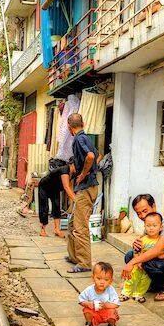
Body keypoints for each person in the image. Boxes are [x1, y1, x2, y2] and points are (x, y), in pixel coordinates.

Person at [121, 194, 164, 301]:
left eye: (145, 211)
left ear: (154, 207)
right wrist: (137, 246)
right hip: (159, 264)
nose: (142, 216)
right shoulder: (149, 224)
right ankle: (153, 284)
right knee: (130, 255)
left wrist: (132, 262)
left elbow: (157, 250)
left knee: (145, 261)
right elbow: (143, 246)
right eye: (138, 213)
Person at [65, 113, 99, 273]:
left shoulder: (79, 139)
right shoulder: (86, 138)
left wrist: (83, 174)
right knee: (73, 224)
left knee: (80, 227)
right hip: (88, 186)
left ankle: (84, 263)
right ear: (83, 123)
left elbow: (91, 157)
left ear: (68, 126)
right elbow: (97, 156)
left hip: (86, 187)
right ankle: (74, 257)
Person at [120, 212, 164, 303]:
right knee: (131, 278)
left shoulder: (161, 241)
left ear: (161, 227)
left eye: (154, 225)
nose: (151, 228)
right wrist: (138, 261)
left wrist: (159, 255)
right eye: (148, 225)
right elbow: (136, 251)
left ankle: (138, 294)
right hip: (138, 266)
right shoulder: (142, 239)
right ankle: (125, 293)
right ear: (145, 226)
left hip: (149, 266)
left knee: (145, 281)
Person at [77, 262, 121, 326]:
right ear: (93, 278)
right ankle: (89, 323)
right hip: (94, 311)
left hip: (106, 312)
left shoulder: (111, 290)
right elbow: (81, 300)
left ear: (110, 281)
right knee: (86, 310)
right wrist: (88, 304)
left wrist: (106, 305)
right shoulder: (89, 290)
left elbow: (116, 304)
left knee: (112, 312)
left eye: (106, 280)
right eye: (99, 278)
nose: (102, 282)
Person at [37, 158, 75, 237]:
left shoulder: (73, 173)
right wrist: (76, 200)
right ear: (72, 164)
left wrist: (72, 197)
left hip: (55, 188)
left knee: (57, 207)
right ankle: (42, 230)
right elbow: (66, 187)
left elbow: (70, 186)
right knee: (44, 207)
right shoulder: (64, 170)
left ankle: (57, 229)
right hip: (45, 186)